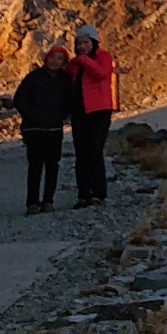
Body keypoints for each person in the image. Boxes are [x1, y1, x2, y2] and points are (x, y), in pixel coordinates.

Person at [14, 45, 74, 214]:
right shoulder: (33, 77)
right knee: (35, 165)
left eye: (59, 59)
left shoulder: (65, 80)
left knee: (52, 165)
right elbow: (19, 99)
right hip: (34, 128)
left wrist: (62, 116)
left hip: (54, 128)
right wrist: (30, 116)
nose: (55, 61)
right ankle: (32, 202)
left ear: (64, 62)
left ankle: (48, 201)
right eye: (52, 57)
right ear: (46, 58)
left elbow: (70, 100)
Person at [66, 25, 117, 208]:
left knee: (94, 151)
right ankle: (84, 194)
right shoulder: (75, 64)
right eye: (79, 43)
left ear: (93, 43)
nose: (82, 46)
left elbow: (101, 73)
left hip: (99, 110)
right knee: (81, 153)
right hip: (80, 112)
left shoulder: (103, 56)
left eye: (86, 42)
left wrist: (83, 60)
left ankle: (98, 193)